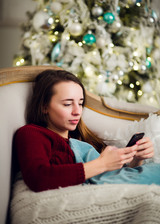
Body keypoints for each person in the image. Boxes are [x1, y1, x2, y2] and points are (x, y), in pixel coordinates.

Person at [14, 69, 159, 192]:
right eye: (67, 104)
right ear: (44, 106)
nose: (77, 111)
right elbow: (38, 178)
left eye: (81, 103)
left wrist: (136, 159)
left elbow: (115, 178)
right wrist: (102, 163)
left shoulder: (82, 138)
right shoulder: (31, 133)